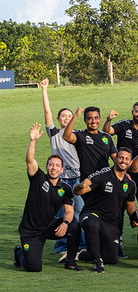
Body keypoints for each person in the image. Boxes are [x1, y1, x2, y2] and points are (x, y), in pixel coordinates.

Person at [14, 123, 81, 272]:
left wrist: (64, 223)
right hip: (30, 231)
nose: (54, 168)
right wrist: (33, 141)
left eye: (57, 165)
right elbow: (30, 160)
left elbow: (69, 211)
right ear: (46, 167)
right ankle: (19, 252)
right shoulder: (38, 178)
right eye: (51, 165)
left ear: (62, 169)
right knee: (34, 267)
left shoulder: (65, 188)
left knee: (74, 225)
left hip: (49, 226)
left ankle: (70, 261)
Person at [73, 149, 138, 273]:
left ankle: (83, 254)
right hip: (91, 213)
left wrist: (135, 218)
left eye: (126, 159)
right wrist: (80, 186)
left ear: (130, 162)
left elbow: (131, 206)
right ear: (115, 159)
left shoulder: (130, 184)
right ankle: (97, 262)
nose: (123, 161)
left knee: (111, 258)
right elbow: (78, 192)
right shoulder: (103, 175)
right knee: (92, 224)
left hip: (110, 222)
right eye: (121, 158)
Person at [39, 78, 82, 257]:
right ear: (58, 119)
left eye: (69, 115)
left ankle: (79, 244)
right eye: (63, 115)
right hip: (61, 180)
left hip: (77, 179)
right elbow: (47, 111)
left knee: (78, 211)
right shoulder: (54, 134)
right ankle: (61, 247)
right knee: (60, 212)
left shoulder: (77, 136)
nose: (66, 117)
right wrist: (44, 90)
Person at [62, 106, 117, 180]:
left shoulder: (107, 137)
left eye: (96, 118)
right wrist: (75, 115)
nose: (94, 121)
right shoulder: (81, 136)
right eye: (90, 118)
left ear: (100, 119)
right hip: (87, 180)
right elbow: (66, 136)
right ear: (85, 120)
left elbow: (116, 159)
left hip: (104, 180)